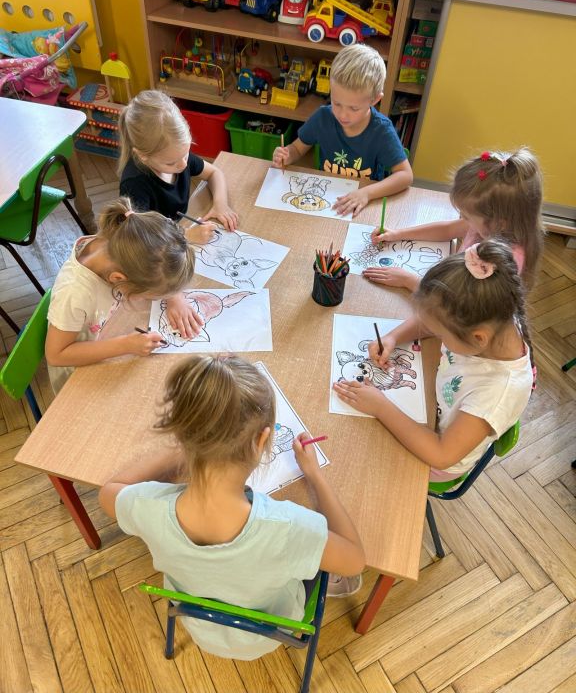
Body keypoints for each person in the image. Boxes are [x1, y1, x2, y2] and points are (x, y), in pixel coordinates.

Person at [98, 355, 365, 660]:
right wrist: (315, 475)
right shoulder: (288, 527)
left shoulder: (149, 507)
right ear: (262, 440)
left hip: (198, 623)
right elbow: (355, 561)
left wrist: (190, 445)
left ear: (182, 434)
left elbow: (109, 492)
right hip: (267, 633)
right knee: (327, 565)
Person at [334, 240, 533, 480]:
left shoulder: (496, 393)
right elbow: (436, 321)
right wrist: (393, 337)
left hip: (436, 459)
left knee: (351, 461)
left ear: (478, 338)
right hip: (429, 403)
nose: (438, 335)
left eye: (442, 335)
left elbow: (441, 455)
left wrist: (380, 407)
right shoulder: (493, 317)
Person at [45, 197, 198, 393]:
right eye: (151, 297)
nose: (151, 300)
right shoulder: (75, 294)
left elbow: (159, 259)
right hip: (76, 375)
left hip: (105, 333)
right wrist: (126, 345)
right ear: (118, 279)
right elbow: (56, 355)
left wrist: (174, 296)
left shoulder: (119, 242)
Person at [365, 147, 544, 291]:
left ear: (499, 222)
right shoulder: (489, 224)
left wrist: (408, 281)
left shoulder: (501, 264)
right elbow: (448, 229)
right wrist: (397, 234)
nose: (462, 218)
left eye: (466, 216)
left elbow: (456, 304)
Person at [271, 44, 413, 217]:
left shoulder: (382, 131)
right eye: (336, 103)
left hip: (363, 205)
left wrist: (366, 193)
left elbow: (405, 175)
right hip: (326, 200)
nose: (342, 115)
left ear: (375, 100)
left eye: (354, 108)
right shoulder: (323, 117)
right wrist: (287, 155)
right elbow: (297, 148)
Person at [118, 90, 238, 244]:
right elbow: (139, 237)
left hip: (178, 225)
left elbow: (214, 173)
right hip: (160, 244)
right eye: (171, 163)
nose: (184, 164)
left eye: (186, 154)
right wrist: (186, 236)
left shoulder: (176, 155)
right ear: (143, 156)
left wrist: (220, 204)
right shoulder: (135, 185)